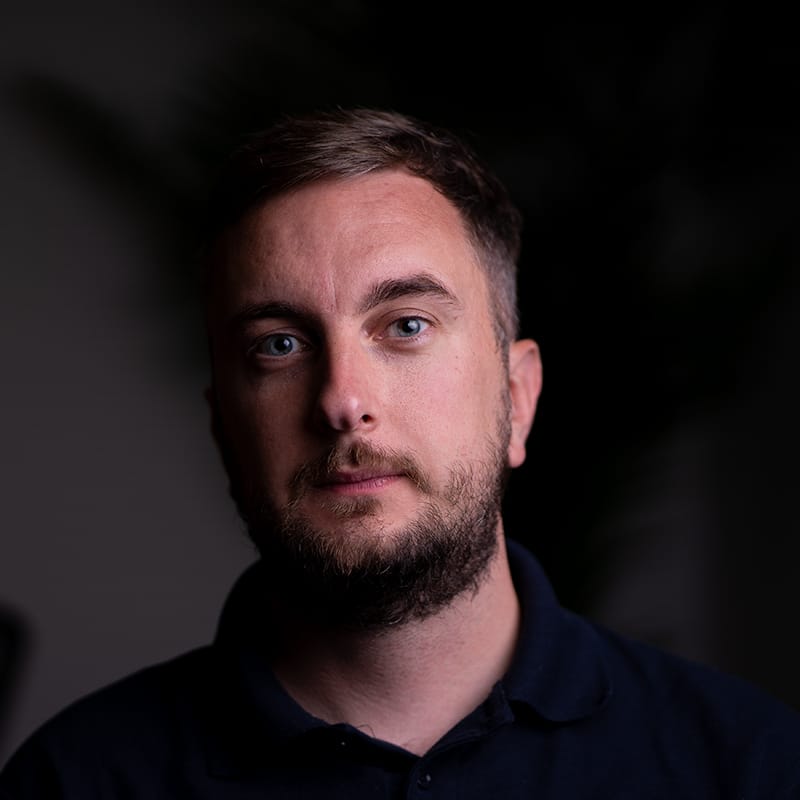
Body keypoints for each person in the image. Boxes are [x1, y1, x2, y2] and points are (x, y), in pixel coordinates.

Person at [1, 107, 799, 798]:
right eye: (279, 344)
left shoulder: (749, 767)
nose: (342, 399)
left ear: (517, 398)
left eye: (406, 325)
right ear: (223, 430)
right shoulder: (73, 782)